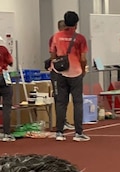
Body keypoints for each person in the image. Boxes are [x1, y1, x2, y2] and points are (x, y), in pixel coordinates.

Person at [49, 11, 90, 141]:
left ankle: (59, 132)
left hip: (60, 72)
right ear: (76, 24)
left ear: (65, 22)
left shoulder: (56, 36)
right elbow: (83, 58)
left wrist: (57, 64)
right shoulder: (80, 38)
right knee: (77, 102)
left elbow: (52, 54)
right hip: (75, 71)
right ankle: (78, 133)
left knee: (61, 102)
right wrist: (83, 70)